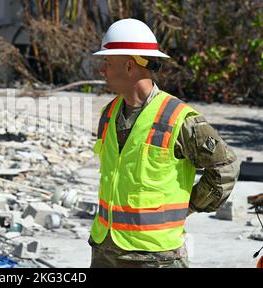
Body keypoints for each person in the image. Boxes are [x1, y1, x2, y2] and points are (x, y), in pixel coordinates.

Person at [89, 18, 239, 268]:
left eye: (107, 62)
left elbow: (225, 169)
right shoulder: (109, 113)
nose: (102, 70)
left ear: (129, 66)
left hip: (156, 257)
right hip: (105, 250)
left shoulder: (179, 119)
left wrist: (189, 205)